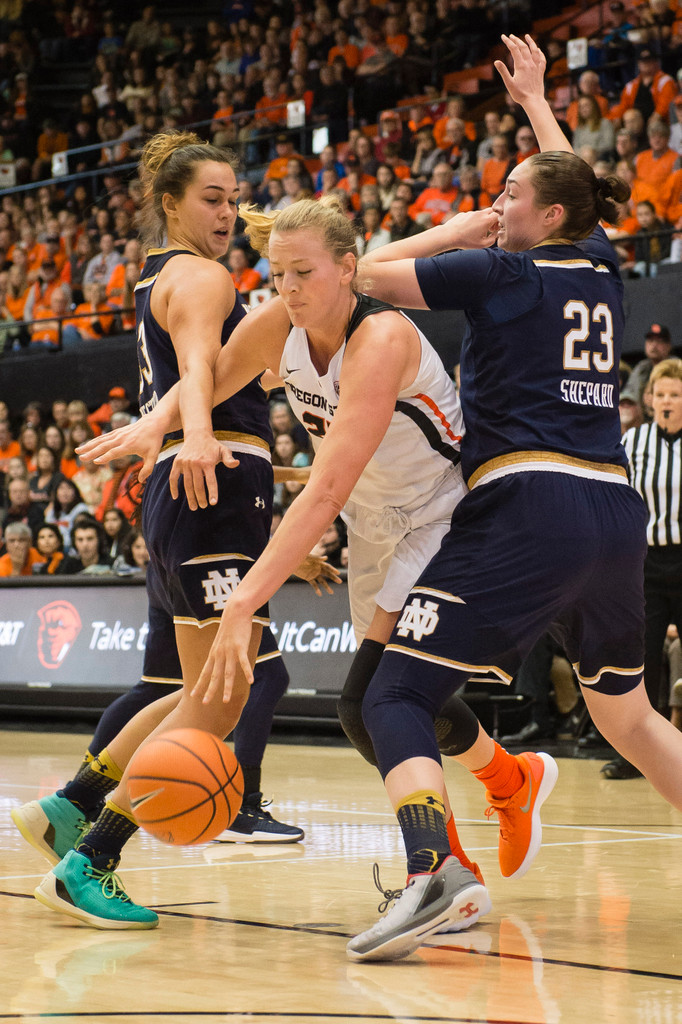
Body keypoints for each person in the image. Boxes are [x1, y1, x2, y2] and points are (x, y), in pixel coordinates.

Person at [79, 192, 562, 940]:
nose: (288, 290)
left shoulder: (383, 338)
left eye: (302, 273)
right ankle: (507, 785)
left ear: (349, 270)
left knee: (371, 703)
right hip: (375, 530)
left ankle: (440, 870)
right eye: (276, 276)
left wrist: (245, 601)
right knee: (388, 706)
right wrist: (159, 421)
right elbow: (212, 373)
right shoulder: (284, 325)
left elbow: (326, 486)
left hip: (443, 519)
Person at [320, 33, 682, 960]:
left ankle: (433, 872)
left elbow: (350, 275)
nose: (496, 202)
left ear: (544, 213)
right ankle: (477, 822)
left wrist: (449, 235)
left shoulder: (504, 270)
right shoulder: (601, 266)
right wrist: (534, 104)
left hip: (529, 505)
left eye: (510, 194)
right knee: (630, 716)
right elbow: (577, 190)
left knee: (393, 694)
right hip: (614, 510)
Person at [14, 130, 333, 931]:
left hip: (208, 489)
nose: (227, 212)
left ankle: (71, 806)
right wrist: (194, 436)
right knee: (229, 693)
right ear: (169, 203)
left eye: (233, 198)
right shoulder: (201, 276)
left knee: (194, 689)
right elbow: (198, 371)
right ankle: (92, 858)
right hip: (209, 490)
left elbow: (212, 387)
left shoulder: (161, 274)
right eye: (210, 199)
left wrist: (272, 477)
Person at [603, 357, 682, 777]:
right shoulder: (636, 443)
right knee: (644, 656)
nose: (667, 402)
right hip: (647, 563)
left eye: (675, 395)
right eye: (661, 395)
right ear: (650, 400)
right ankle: (638, 756)